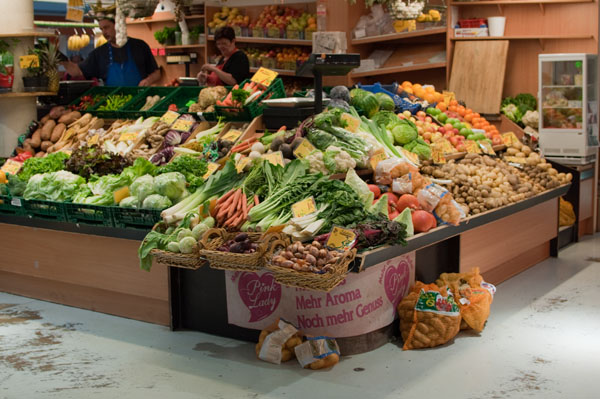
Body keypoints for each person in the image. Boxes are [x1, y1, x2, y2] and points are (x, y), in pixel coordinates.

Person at [62, 16, 160, 86]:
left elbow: (157, 73)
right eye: (101, 29)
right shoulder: (99, 53)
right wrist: (61, 58)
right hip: (113, 103)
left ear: (118, 25)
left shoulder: (140, 46)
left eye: (106, 27)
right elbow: (77, 72)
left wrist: (148, 80)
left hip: (140, 100)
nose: (104, 32)